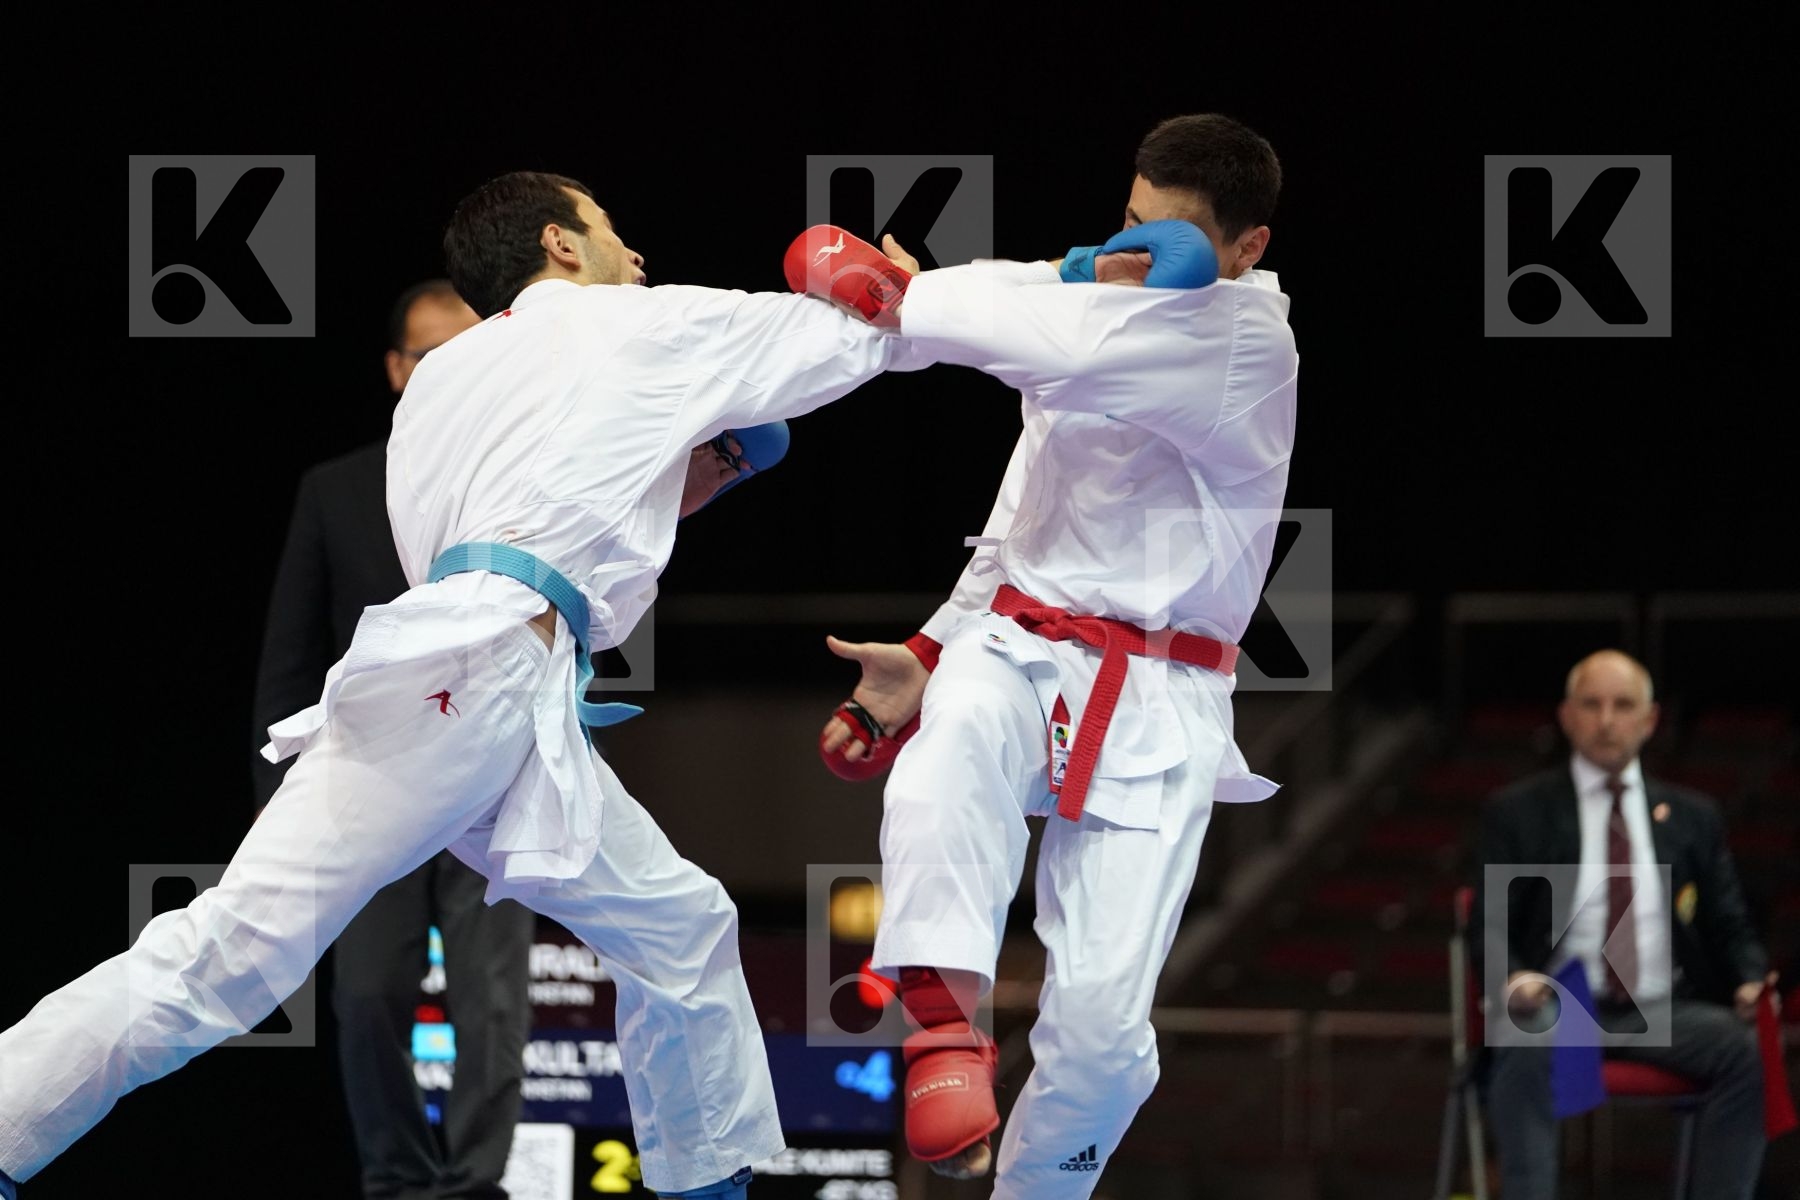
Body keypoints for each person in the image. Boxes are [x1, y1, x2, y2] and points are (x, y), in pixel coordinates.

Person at [0, 170, 924, 1200]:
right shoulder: (644, 325)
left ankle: (708, 1184)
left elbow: (511, 524)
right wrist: (900, 285)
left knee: (682, 926)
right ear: (560, 245)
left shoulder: (447, 378)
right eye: (612, 226)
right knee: (227, 957)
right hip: (472, 680)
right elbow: (857, 342)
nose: (638, 252)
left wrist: (680, 481)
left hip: (496, 683)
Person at [806, 113, 1296, 1195]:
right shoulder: (1094, 294)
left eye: (1171, 241)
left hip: (1163, 695)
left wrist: (915, 300)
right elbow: (1023, 504)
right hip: (1024, 640)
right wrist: (931, 649)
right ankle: (941, 1022)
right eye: (1129, 224)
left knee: (1105, 1037)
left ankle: (1039, 1187)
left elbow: (1051, 334)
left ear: (1247, 249)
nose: (1133, 255)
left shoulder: (1246, 343)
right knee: (952, 745)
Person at [252, 279, 536, 1200]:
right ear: (395, 369)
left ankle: (475, 1183)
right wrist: (278, 808)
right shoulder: (334, 491)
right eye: (428, 357)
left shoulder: (528, 489)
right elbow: (290, 661)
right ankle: (398, 1178)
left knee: (490, 1002)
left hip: (494, 776)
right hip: (368, 782)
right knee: (367, 994)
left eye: (467, 355)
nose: (446, 373)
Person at [1468, 649, 1776, 1200]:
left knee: (1746, 1053)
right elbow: (1490, 925)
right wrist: (1513, 979)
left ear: (1650, 719)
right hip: (1563, 1007)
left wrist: (1749, 981)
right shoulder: (1518, 811)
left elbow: (1730, 923)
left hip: (1664, 1008)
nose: (1606, 720)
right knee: (1525, 1041)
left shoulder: (1693, 817)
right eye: (1592, 704)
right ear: (1566, 716)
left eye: (1622, 705)